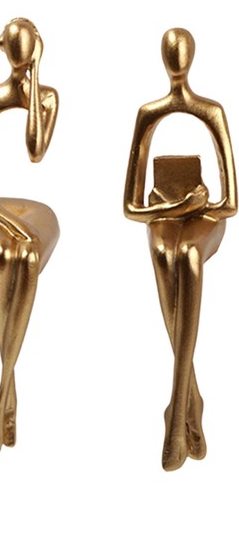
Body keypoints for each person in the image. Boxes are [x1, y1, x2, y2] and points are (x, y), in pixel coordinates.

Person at [124, 28, 237, 470]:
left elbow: (230, 204)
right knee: (161, 252)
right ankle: (192, 397)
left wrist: (195, 206)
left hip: (204, 217)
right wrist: (177, 206)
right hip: (168, 211)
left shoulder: (210, 111)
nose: (177, 61)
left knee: (187, 254)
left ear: (190, 58)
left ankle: (176, 416)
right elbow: (131, 207)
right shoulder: (149, 114)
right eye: (172, 54)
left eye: (181, 53)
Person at [0, 18, 59, 458]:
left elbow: (35, 151)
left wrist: (35, 77)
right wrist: (12, 223)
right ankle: (6, 395)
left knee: (29, 256)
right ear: (4, 49)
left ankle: (1, 395)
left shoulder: (47, 97)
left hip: (37, 211)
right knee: (9, 254)